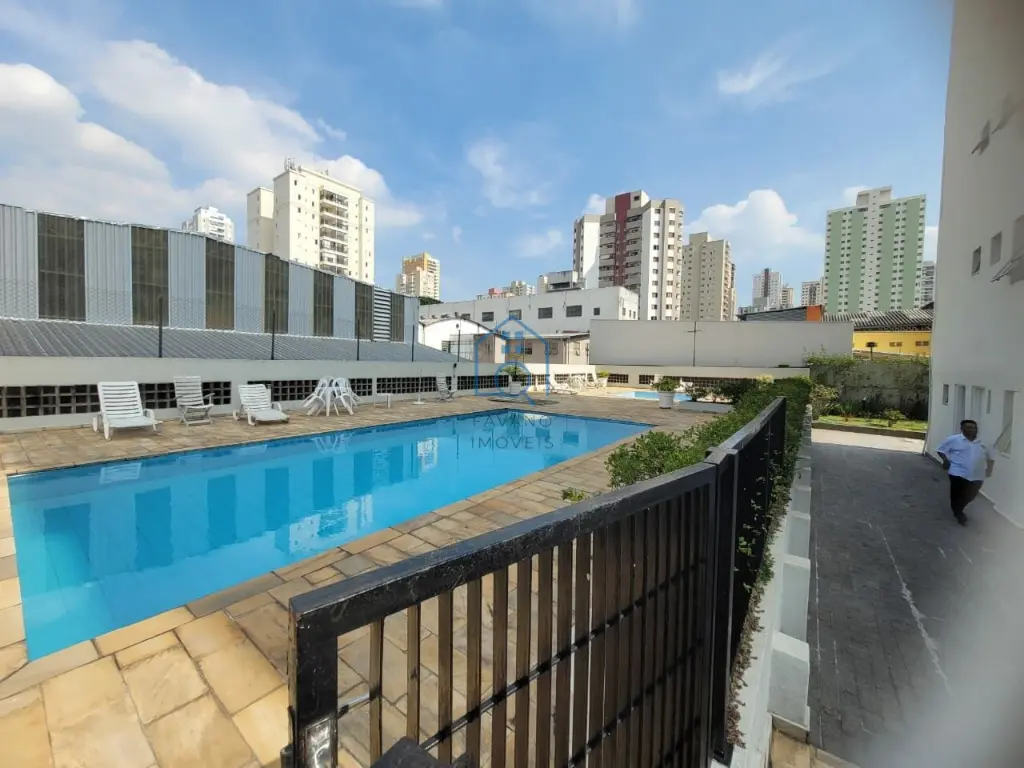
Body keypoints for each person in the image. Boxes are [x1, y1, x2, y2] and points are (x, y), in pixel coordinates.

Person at [937, 419, 995, 525]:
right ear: (962, 429)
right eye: (969, 427)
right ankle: (959, 513)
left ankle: (959, 508)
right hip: (957, 472)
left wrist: (989, 470)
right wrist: (945, 460)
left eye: (974, 428)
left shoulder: (983, 443)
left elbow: (990, 458)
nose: (972, 430)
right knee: (957, 494)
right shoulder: (953, 440)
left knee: (971, 495)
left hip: (977, 474)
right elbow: (940, 450)